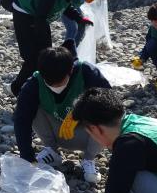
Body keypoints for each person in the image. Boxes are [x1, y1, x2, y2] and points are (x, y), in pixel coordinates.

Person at [9, 0, 106, 96]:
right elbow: (41, 15)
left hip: (39, 16)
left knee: (44, 58)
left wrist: (79, 19)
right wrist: (44, 46)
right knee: (34, 58)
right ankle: (17, 89)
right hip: (25, 12)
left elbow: (63, 5)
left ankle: (36, 88)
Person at [13, 46, 111, 183]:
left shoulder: (86, 72)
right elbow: (21, 120)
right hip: (56, 132)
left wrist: (79, 112)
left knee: (108, 116)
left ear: (70, 70)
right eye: (49, 82)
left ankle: (88, 160)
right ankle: (51, 151)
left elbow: (111, 103)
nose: (55, 86)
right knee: (29, 108)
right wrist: (28, 158)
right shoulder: (34, 84)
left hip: (87, 134)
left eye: (60, 81)